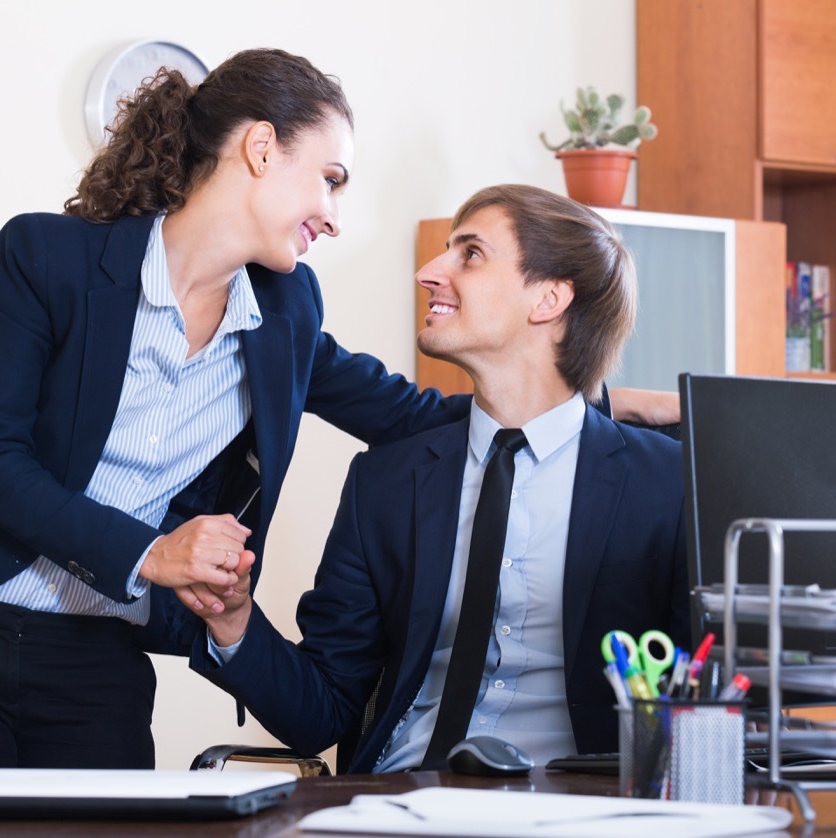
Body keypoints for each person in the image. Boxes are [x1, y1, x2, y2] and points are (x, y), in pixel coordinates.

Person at [0, 45, 672, 772]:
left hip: (98, 652)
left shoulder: (285, 310)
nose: (336, 217)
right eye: (331, 180)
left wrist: (595, 404)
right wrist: (151, 551)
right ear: (262, 149)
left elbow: (416, 416)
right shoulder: (46, 258)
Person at [188, 183, 691, 773]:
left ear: (549, 299)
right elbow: (321, 713)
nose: (429, 271)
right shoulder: (386, 483)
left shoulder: (668, 484)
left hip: (582, 807)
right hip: (398, 799)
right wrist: (234, 622)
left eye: (470, 254)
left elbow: (702, 697)